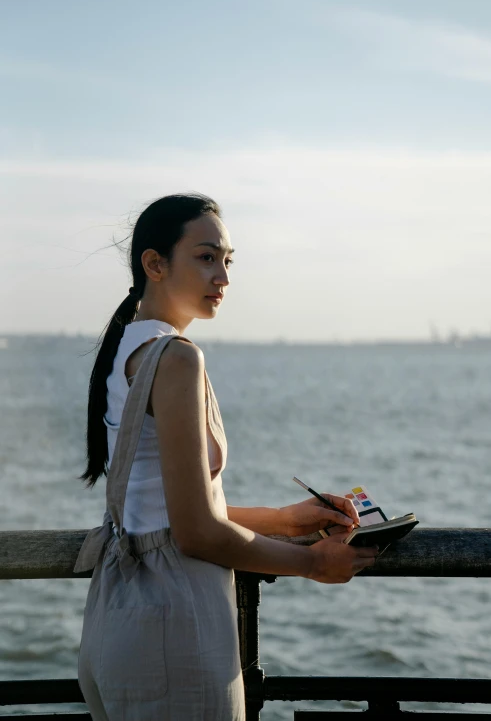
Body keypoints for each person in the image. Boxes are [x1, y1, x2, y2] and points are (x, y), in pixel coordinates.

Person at [75, 193, 378, 720]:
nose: (223, 276)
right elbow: (194, 534)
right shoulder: (176, 359)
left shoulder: (125, 350)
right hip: (176, 631)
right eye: (206, 256)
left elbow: (163, 515)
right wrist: (313, 562)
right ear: (155, 263)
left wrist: (285, 520)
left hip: (116, 624)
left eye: (228, 260)